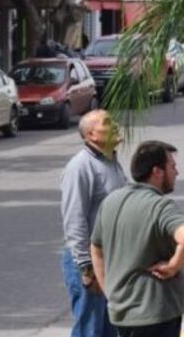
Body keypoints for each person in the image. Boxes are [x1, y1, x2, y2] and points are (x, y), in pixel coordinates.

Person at [90, 141, 184, 337]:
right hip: (156, 314)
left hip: (121, 312)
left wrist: (109, 289)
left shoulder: (111, 202)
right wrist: (173, 266)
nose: (177, 172)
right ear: (157, 171)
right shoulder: (160, 206)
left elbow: (96, 247)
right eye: (172, 166)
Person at [60, 110, 127, 337]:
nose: (115, 125)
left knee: (111, 329)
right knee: (90, 330)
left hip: (112, 260)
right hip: (90, 262)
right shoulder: (80, 167)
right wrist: (87, 268)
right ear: (91, 134)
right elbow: (74, 219)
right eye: (108, 123)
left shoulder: (112, 163)